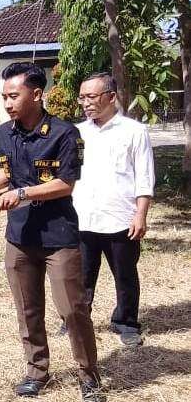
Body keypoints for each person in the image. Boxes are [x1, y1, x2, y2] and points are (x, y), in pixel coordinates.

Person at [0, 62, 103, 402]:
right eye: (4, 97)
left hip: (58, 235)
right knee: (28, 309)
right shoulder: (4, 133)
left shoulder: (65, 134)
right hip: (20, 235)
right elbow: (8, 172)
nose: (8, 103)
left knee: (72, 310)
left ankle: (88, 376)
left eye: (14, 95)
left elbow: (66, 184)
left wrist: (24, 193)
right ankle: (36, 372)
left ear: (37, 94)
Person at [73, 72, 155, 347]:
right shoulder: (77, 133)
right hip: (83, 217)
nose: (85, 103)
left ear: (111, 96)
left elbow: (144, 177)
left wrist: (140, 214)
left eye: (91, 97)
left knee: (125, 275)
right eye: (82, 97)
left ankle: (126, 322)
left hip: (121, 218)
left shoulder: (134, 132)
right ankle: (76, 319)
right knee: (81, 276)